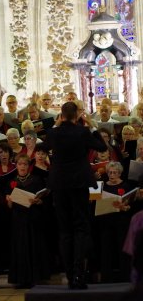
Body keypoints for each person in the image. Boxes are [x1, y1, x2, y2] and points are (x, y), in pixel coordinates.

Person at [43, 101, 107, 289]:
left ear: (61, 116)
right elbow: (102, 147)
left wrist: (56, 125)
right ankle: (79, 275)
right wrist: (92, 126)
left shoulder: (54, 132)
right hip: (79, 183)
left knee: (64, 230)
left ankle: (70, 275)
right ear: (76, 116)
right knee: (80, 227)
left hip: (59, 184)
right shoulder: (82, 132)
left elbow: (43, 146)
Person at [5, 154, 50, 288]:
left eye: (25, 164)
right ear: (16, 166)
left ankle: (35, 278)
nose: (22, 167)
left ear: (28, 166)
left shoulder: (36, 180)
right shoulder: (11, 182)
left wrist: (39, 200)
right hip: (18, 219)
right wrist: (9, 201)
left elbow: (43, 200)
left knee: (34, 246)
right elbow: (9, 207)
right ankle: (21, 279)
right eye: (20, 164)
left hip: (33, 218)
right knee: (21, 247)